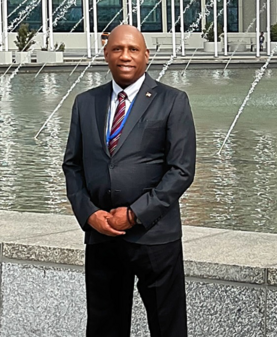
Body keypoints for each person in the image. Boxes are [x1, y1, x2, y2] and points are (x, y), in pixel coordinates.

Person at [62, 24, 196, 337]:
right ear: (106, 54)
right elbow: (72, 165)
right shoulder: (86, 103)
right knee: (104, 326)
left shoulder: (172, 101)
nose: (125, 56)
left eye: (133, 49)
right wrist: (88, 214)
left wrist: (135, 214)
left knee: (167, 327)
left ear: (146, 55)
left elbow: (181, 170)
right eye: (118, 49)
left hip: (154, 236)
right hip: (101, 233)